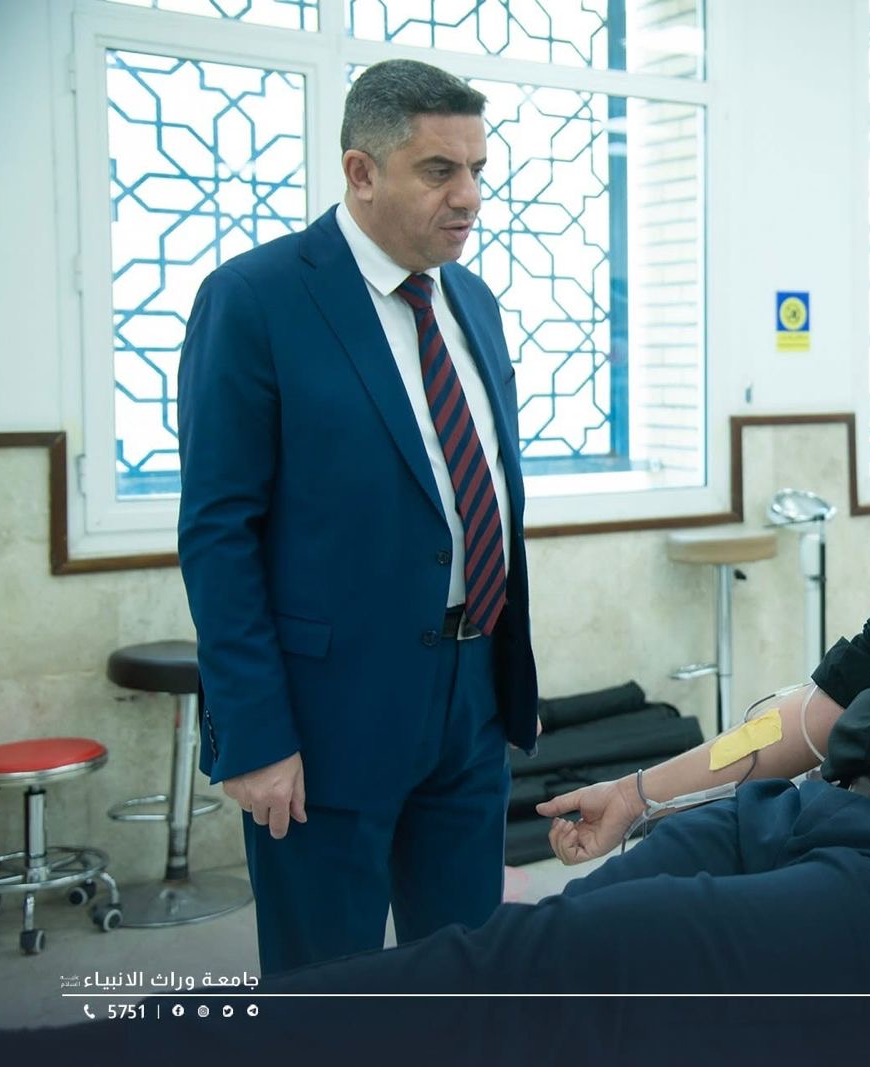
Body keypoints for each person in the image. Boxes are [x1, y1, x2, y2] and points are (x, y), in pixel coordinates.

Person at [54, 279, 870, 1065]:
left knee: (552, 969)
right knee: (504, 954)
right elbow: (818, 711)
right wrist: (650, 787)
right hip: (788, 820)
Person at [177, 59, 539, 975]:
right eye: (439, 170)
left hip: (470, 696)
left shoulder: (473, 301)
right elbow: (219, 532)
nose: (470, 196)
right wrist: (255, 733)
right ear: (361, 171)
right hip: (325, 716)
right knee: (325, 989)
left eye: (478, 169)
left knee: (464, 969)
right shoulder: (255, 299)